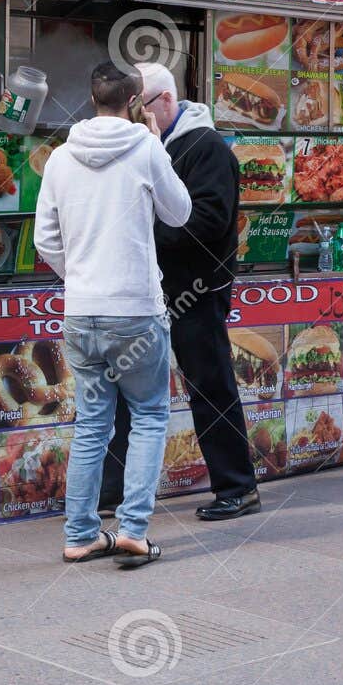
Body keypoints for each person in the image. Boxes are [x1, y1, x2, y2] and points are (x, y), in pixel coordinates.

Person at [34, 62, 192, 567]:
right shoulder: (146, 148)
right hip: (136, 311)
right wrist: (154, 145)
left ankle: (80, 534)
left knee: (92, 424)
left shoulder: (59, 158)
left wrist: (76, 275)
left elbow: (45, 240)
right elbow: (181, 212)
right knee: (147, 416)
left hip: (82, 311)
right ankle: (132, 531)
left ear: (92, 99)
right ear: (134, 103)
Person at [100, 63, 260, 522]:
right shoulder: (152, 144)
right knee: (129, 392)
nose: (134, 119)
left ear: (165, 102)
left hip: (196, 291)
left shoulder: (206, 147)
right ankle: (112, 490)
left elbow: (209, 221)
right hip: (149, 291)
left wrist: (144, 231)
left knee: (210, 389)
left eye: (140, 108)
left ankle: (237, 487)